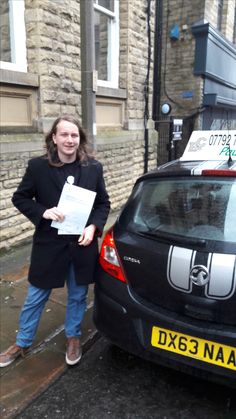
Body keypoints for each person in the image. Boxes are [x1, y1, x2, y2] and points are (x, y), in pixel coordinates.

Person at [0, 115, 110, 367]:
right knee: (36, 295)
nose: (70, 140)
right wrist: (42, 212)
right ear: (54, 138)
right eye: (64, 135)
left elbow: (103, 203)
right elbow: (20, 198)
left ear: (79, 139)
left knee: (77, 295)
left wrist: (94, 227)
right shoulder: (38, 167)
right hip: (49, 244)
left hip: (81, 245)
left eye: (74, 135)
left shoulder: (93, 168)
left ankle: (73, 337)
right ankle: (23, 342)